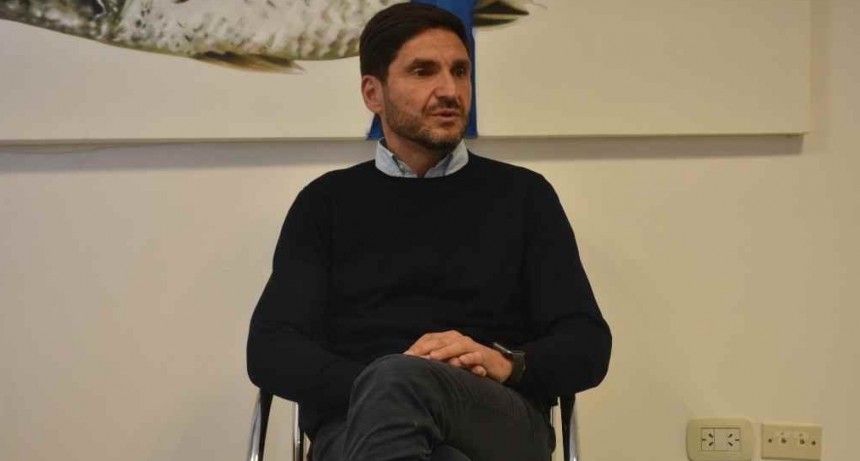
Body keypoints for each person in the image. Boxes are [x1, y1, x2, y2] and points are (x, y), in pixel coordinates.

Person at [246, 4, 611, 461]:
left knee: (399, 384)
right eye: (423, 71)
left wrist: (504, 363)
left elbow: (586, 343)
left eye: (460, 71)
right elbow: (271, 349)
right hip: (356, 420)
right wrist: (382, 383)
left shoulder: (525, 196)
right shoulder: (325, 203)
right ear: (373, 93)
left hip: (494, 417)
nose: (450, 90)